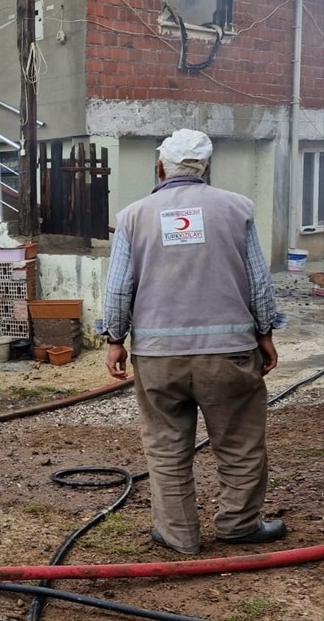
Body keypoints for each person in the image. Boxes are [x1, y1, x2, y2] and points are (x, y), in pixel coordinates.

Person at [101, 129, 288, 555]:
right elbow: (259, 282)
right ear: (205, 167)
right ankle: (239, 525)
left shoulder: (134, 215)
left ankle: (179, 535)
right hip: (229, 354)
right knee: (239, 443)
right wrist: (265, 332)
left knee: (166, 447)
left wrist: (115, 339)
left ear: (161, 165)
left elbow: (118, 289)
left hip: (157, 359)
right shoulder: (237, 208)